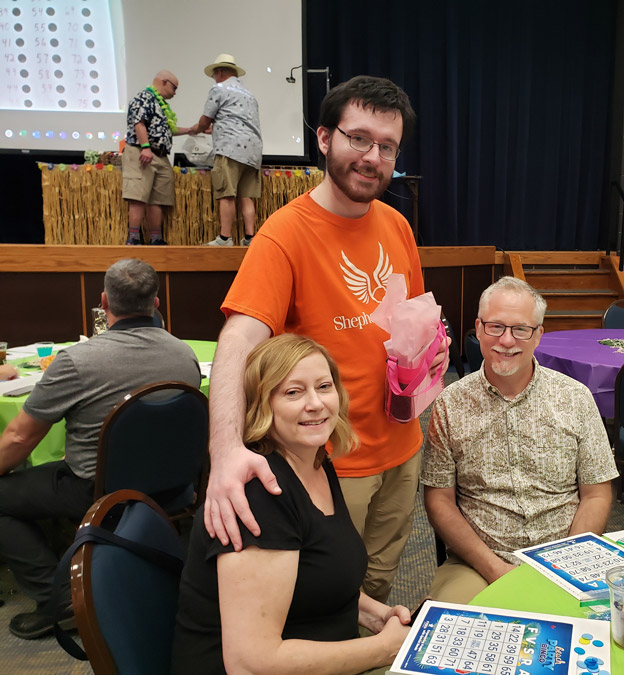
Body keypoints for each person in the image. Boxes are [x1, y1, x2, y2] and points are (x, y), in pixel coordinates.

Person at [203, 75, 445, 604]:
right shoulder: (286, 233)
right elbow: (239, 336)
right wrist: (224, 452)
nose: (372, 157)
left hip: (403, 447)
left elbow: (408, 325)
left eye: (386, 146)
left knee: (377, 587)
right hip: (329, 461)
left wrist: (430, 356)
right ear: (324, 138)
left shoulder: (396, 226)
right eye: (358, 138)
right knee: (323, 600)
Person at [172, 334, 411, 674]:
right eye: (293, 392)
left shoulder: (314, 461)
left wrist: (376, 614)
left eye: (324, 387)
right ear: (261, 405)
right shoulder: (259, 495)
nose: (315, 403)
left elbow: (315, 580)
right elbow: (250, 664)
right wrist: (383, 649)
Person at [0, 259, 201, 639]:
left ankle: (59, 599)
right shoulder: (183, 353)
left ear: (104, 301)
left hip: (99, 493)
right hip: (175, 488)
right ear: (156, 303)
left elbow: (20, 439)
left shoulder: (77, 361)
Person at [422, 277, 618, 603]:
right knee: (453, 629)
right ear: (478, 328)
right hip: (480, 561)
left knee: (622, 624)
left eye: (521, 329)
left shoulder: (575, 398)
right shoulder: (450, 403)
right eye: (496, 327)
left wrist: (566, 562)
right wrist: (494, 569)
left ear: (539, 335)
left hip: (570, 555)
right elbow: (439, 501)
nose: (507, 340)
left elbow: (597, 493)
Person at [192, 54, 263, 247]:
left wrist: (196, 130)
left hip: (230, 148)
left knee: (227, 193)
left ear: (220, 72)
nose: (214, 78)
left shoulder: (219, 89)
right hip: (253, 150)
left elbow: (206, 119)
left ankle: (224, 238)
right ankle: (250, 238)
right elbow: (238, 120)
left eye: (214, 74)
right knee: (246, 195)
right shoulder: (249, 94)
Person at [123, 70, 194, 245]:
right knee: (138, 196)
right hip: (142, 151)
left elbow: (167, 130)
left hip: (161, 156)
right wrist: (145, 147)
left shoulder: (160, 104)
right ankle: (134, 238)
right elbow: (139, 122)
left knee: (158, 199)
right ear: (164, 82)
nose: (175, 92)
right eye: (174, 87)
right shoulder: (144, 97)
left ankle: (156, 238)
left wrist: (193, 130)